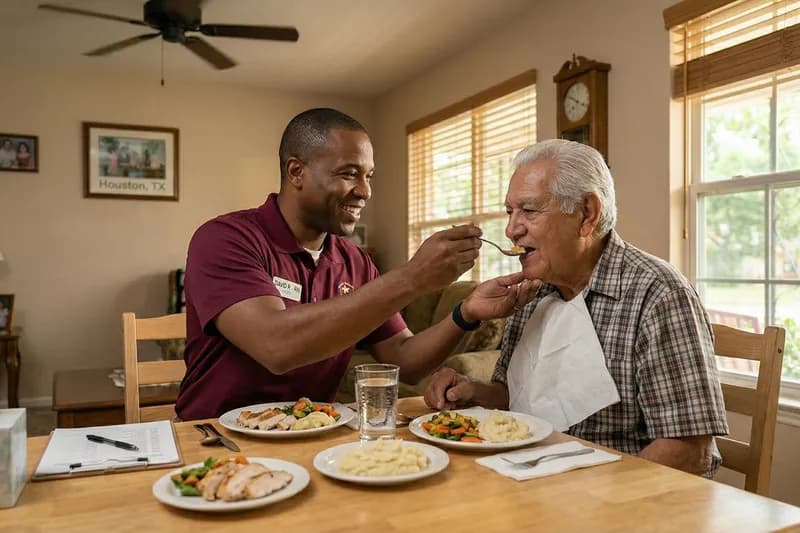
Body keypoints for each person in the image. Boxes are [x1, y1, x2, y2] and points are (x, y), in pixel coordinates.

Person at [175, 108, 537, 420]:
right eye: (349, 173)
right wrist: (412, 277)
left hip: (316, 434)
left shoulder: (354, 261)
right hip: (215, 436)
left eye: (368, 176)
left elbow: (405, 360)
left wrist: (466, 313)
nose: (365, 191)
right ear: (296, 172)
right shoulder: (224, 239)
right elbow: (276, 346)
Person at [424, 139, 728, 478]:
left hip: (614, 495)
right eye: (510, 212)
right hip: (527, 479)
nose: (511, 230)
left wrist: (594, 500)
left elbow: (690, 451)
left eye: (529, 210)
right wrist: (472, 392)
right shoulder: (532, 292)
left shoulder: (659, 294)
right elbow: (521, 400)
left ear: (587, 214)